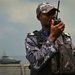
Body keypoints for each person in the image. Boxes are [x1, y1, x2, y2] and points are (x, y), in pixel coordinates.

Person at [25, 2, 75, 75]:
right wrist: (52, 37)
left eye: (53, 14)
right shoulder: (32, 38)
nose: (52, 16)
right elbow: (36, 63)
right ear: (38, 17)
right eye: (48, 14)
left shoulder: (65, 37)